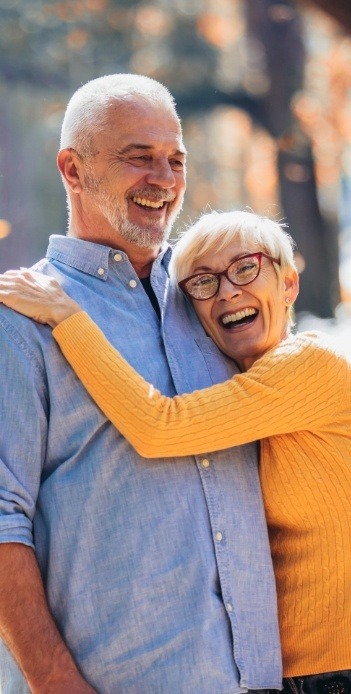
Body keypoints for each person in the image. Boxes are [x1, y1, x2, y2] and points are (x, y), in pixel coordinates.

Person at [0, 78, 282, 693]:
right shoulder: (17, 315)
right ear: (73, 169)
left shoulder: (212, 301)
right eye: (139, 157)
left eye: (175, 159)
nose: (164, 177)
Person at [2, 209, 350, 693]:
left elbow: (159, 426)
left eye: (246, 268)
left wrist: (68, 316)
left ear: (288, 285)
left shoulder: (310, 366)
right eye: (204, 283)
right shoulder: (242, 387)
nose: (227, 291)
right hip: (286, 676)